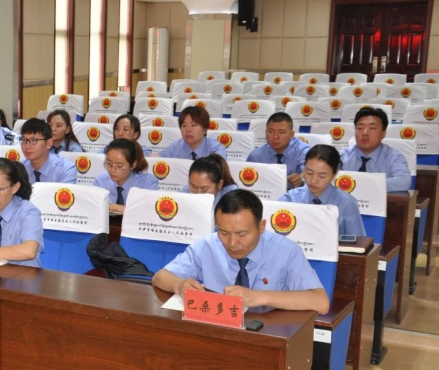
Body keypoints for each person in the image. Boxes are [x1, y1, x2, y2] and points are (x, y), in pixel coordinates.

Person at [152, 189, 330, 314]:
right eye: (223, 233)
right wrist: (179, 286)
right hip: (217, 330)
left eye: (242, 234)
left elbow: (320, 302)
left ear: (261, 227)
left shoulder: (286, 251)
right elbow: (160, 277)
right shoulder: (207, 246)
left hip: (268, 335)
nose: (232, 243)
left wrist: (259, 297)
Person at [279, 145, 366, 237]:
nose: (313, 181)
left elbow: (357, 241)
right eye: (309, 173)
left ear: (334, 174)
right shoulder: (291, 199)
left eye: (322, 176)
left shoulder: (346, 204)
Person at [340, 107, 410, 192]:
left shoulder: (393, 156)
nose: (365, 133)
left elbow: (403, 181)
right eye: (360, 128)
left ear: (383, 134)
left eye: (372, 128)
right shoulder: (343, 156)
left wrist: (363, 184)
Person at [246, 113, 310, 189]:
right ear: (266, 132)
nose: (275, 136)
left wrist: (302, 178)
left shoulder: (302, 151)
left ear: (292, 134)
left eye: (281, 132)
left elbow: (311, 171)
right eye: (271, 131)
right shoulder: (255, 156)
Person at [94, 139, 158, 214]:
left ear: (133, 165)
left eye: (119, 166)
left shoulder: (147, 182)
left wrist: (114, 207)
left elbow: (148, 210)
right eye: (109, 164)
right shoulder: (101, 181)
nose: (112, 170)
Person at [19, 118, 77, 184]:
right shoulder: (19, 168)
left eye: (33, 140)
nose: (27, 146)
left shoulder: (65, 169)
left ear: (49, 143)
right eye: (24, 140)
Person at [158, 106, 226, 160]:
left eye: (193, 125)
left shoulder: (215, 149)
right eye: (184, 125)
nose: (188, 130)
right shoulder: (174, 149)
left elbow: (220, 165)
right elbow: (158, 159)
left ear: (205, 129)